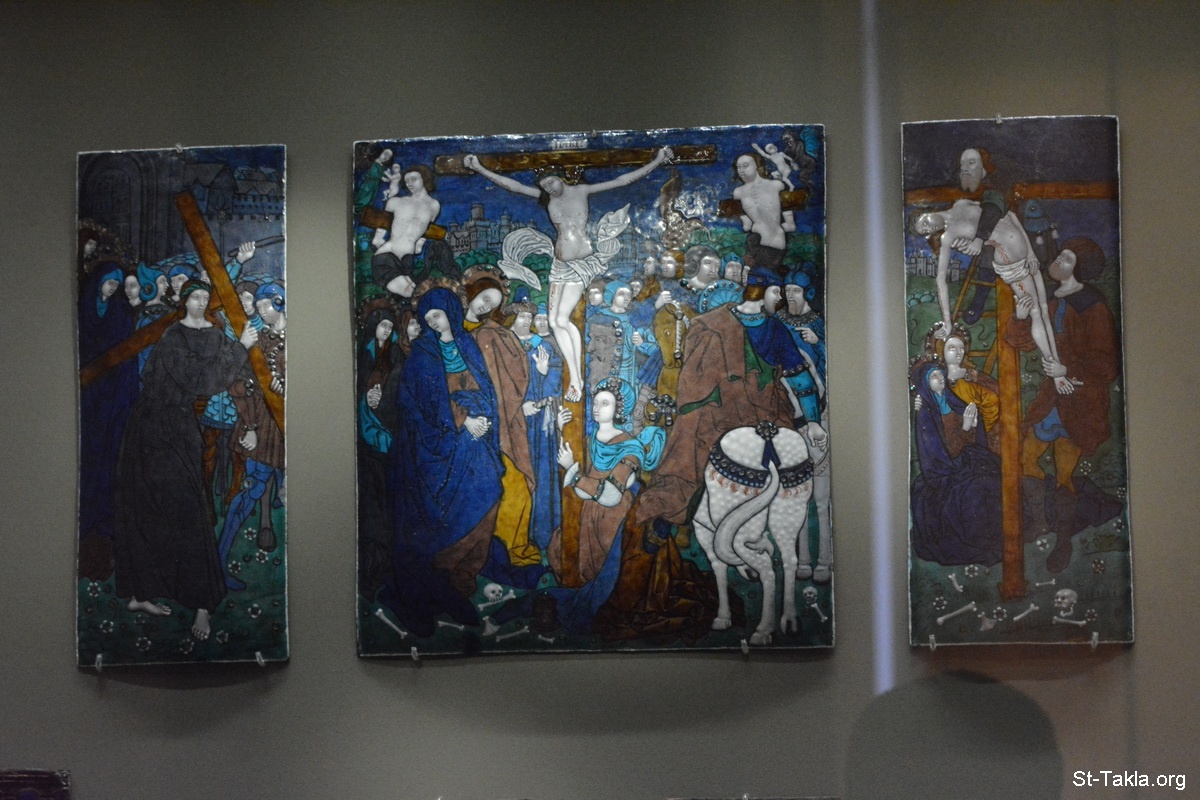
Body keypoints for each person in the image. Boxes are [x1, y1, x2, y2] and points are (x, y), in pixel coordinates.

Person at [464, 146, 673, 402]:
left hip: (580, 264)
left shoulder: (581, 191)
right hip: (559, 265)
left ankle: (576, 378)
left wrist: (657, 160)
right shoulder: (547, 199)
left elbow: (622, 180)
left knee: (563, 319)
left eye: (550, 182)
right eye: (544, 185)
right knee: (554, 322)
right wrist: (480, 168)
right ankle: (575, 375)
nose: (548, 188)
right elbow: (514, 186)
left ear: (560, 176)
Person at [113, 281, 258, 640]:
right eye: (195, 297)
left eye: (205, 298)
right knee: (147, 507)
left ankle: (202, 603)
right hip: (150, 425)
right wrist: (240, 349)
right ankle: (141, 594)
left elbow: (228, 372)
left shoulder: (215, 335)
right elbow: (201, 378)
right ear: (184, 301)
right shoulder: (174, 336)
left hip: (179, 426)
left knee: (190, 509)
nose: (200, 302)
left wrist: (242, 349)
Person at [381, 288, 503, 635]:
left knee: (491, 491)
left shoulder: (467, 346)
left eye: (437, 314)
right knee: (449, 512)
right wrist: (462, 421)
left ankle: (462, 576)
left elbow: (486, 391)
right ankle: (440, 577)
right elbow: (415, 407)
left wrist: (480, 415)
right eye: (427, 318)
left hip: (474, 442)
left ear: (450, 310)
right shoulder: (422, 355)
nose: (433, 322)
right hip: (437, 450)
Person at [1003, 237, 1123, 572]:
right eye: (1060, 255)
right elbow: (1023, 341)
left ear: (1079, 268)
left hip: (1080, 403)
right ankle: (1041, 521)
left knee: (1063, 473)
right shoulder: (1051, 300)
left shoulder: (1093, 306)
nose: (1058, 261)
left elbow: (1107, 365)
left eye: (1067, 259)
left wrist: (1067, 369)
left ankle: (1064, 540)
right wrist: (1020, 315)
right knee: (1026, 458)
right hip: (1051, 399)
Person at [913, 201, 1066, 384]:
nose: (928, 229)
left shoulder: (961, 203)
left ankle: (1058, 368)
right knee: (1036, 312)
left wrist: (1031, 253)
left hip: (1027, 255)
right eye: (924, 231)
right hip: (1011, 262)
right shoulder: (949, 237)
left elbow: (1008, 215)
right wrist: (947, 321)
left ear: (928, 211)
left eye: (924, 222)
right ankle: (1054, 371)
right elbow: (940, 280)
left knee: (1043, 310)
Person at [462, 273, 541, 568]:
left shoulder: (493, 334)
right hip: (468, 424)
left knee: (516, 485)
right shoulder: (452, 331)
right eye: (485, 298)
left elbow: (514, 373)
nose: (486, 306)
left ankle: (510, 548)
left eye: (492, 304)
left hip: (503, 420)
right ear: (471, 293)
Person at [217, 283, 287, 586]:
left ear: (279, 303)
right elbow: (236, 385)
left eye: (264, 307)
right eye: (257, 308)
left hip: (290, 432)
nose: (261, 313)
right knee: (249, 493)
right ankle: (218, 564)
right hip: (263, 429)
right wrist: (251, 427)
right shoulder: (260, 342)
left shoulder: (297, 341)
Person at [909, 360, 1002, 567]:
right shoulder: (925, 413)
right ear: (925, 383)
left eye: (940, 374)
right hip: (943, 471)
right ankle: (978, 542)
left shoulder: (954, 402)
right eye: (934, 376)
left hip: (966, 462)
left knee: (992, 480)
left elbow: (971, 439)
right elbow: (937, 450)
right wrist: (966, 427)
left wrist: (974, 425)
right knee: (973, 490)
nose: (940, 378)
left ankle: (995, 537)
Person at [372, 164, 443, 300]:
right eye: (406, 181)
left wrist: (420, 243)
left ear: (424, 179)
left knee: (414, 294)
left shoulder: (434, 205)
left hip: (407, 260)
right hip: (387, 256)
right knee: (412, 294)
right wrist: (378, 238)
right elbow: (380, 231)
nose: (409, 183)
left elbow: (425, 228)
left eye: (413, 179)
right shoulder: (396, 202)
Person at [733, 152, 795, 275]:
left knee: (765, 275)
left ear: (757, 165)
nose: (741, 170)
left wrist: (779, 227)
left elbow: (790, 223)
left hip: (774, 243)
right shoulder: (738, 192)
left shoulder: (776, 185)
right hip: (753, 242)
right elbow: (746, 224)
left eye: (745, 165)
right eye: (738, 167)